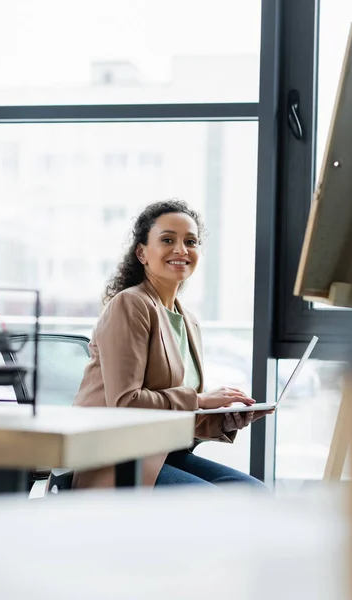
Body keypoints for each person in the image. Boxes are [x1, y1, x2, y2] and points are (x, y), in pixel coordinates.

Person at [73, 199, 272, 489]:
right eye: (168, 240)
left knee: (254, 493)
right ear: (142, 252)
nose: (181, 250)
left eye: (190, 241)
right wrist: (201, 399)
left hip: (160, 452)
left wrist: (224, 419)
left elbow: (176, 409)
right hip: (115, 457)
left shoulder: (187, 320)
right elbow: (126, 402)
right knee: (219, 505)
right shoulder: (130, 304)